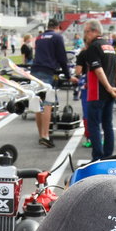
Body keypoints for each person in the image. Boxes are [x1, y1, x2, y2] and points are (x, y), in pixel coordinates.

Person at [77, 19, 116, 160]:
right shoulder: (110, 46)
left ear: (94, 31)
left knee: (94, 125)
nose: (85, 35)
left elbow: (98, 69)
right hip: (111, 91)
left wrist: (108, 87)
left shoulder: (93, 47)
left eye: (86, 32)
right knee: (108, 124)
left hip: (97, 92)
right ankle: (108, 156)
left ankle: (97, 157)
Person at [31, 19, 71, 148]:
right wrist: (68, 75)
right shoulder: (57, 37)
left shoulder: (39, 37)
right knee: (47, 105)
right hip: (47, 71)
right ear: (58, 27)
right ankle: (45, 136)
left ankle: (40, 134)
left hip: (35, 71)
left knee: (38, 104)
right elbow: (62, 58)